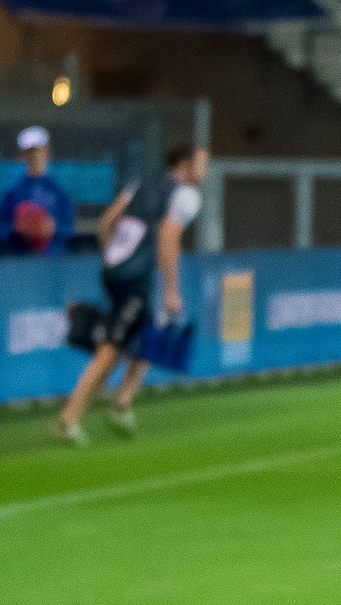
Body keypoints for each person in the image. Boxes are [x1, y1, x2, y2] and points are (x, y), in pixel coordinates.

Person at [53, 143, 206, 445]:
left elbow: (107, 220)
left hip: (115, 269)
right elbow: (167, 236)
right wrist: (172, 291)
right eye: (203, 162)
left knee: (148, 333)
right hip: (134, 276)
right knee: (111, 348)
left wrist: (112, 255)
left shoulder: (142, 183)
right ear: (185, 164)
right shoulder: (186, 195)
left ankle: (122, 402)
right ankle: (69, 417)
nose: (206, 170)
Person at [0, 126, 74, 256]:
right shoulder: (12, 192)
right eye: (30, 152)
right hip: (20, 260)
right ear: (23, 155)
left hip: (53, 261)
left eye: (39, 151)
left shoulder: (58, 191)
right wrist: (17, 230)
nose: (35, 156)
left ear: (46, 151)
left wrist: (52, 228)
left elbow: (68, 227)